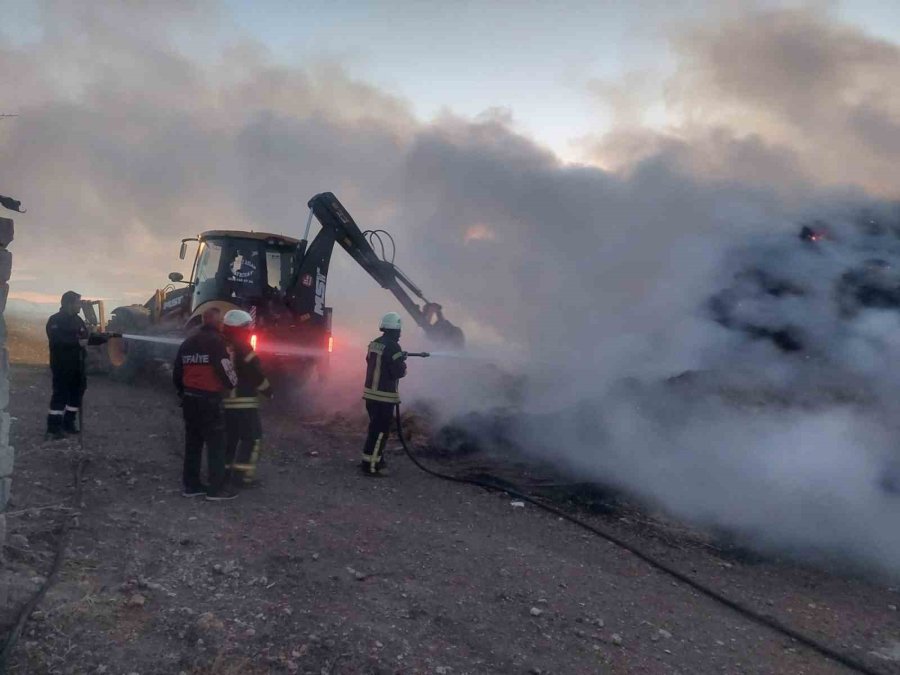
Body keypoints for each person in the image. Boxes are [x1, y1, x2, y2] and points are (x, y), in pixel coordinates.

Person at [173, 308, 238, 501]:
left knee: (193, 444)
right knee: (216, 444)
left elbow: (177, 374)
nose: (222, 325)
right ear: (218, 323)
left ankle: (191, 486)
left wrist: (183, 393)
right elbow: (226, 371)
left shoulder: (187, 343)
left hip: (190, 401)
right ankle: (215, 489)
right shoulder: (217, 342)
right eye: (221, 322)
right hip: (210, 400)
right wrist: (233, 383)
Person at [45, 291, 111, 440]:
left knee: (77, 394)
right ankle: (53, 428)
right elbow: (57, 341)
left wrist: (103, 338)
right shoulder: (55, 320)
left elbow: (86, 338)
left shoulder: (78, 320)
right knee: (60, 395)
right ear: (68, 304)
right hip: (62, 365)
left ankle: (68, 423)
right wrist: (77, 343)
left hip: (78, 365)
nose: (80, 306)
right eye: (77, 303)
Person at [221, 309, 272, 487]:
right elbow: (255, 374)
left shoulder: (221, 345)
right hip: (244, 401)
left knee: (230, 440)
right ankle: (242, 478)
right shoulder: (244, 347)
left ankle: (224, 474)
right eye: (247, 327)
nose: (250, 330)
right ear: (240, 328)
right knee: (252, 439)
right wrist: (268, 391)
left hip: (226, 402)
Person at [360, 312, 407, 476]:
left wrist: (398, 358)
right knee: (381, 432)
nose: (400, 334)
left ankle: (372, 458)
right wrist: (402, 361)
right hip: (384, 396)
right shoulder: (394, 347)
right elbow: (398, 372)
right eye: (399, 331)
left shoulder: (374, 343)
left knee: (374, 429)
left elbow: (372, 361)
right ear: (394, 330)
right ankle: (371, 466)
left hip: (370, 396)